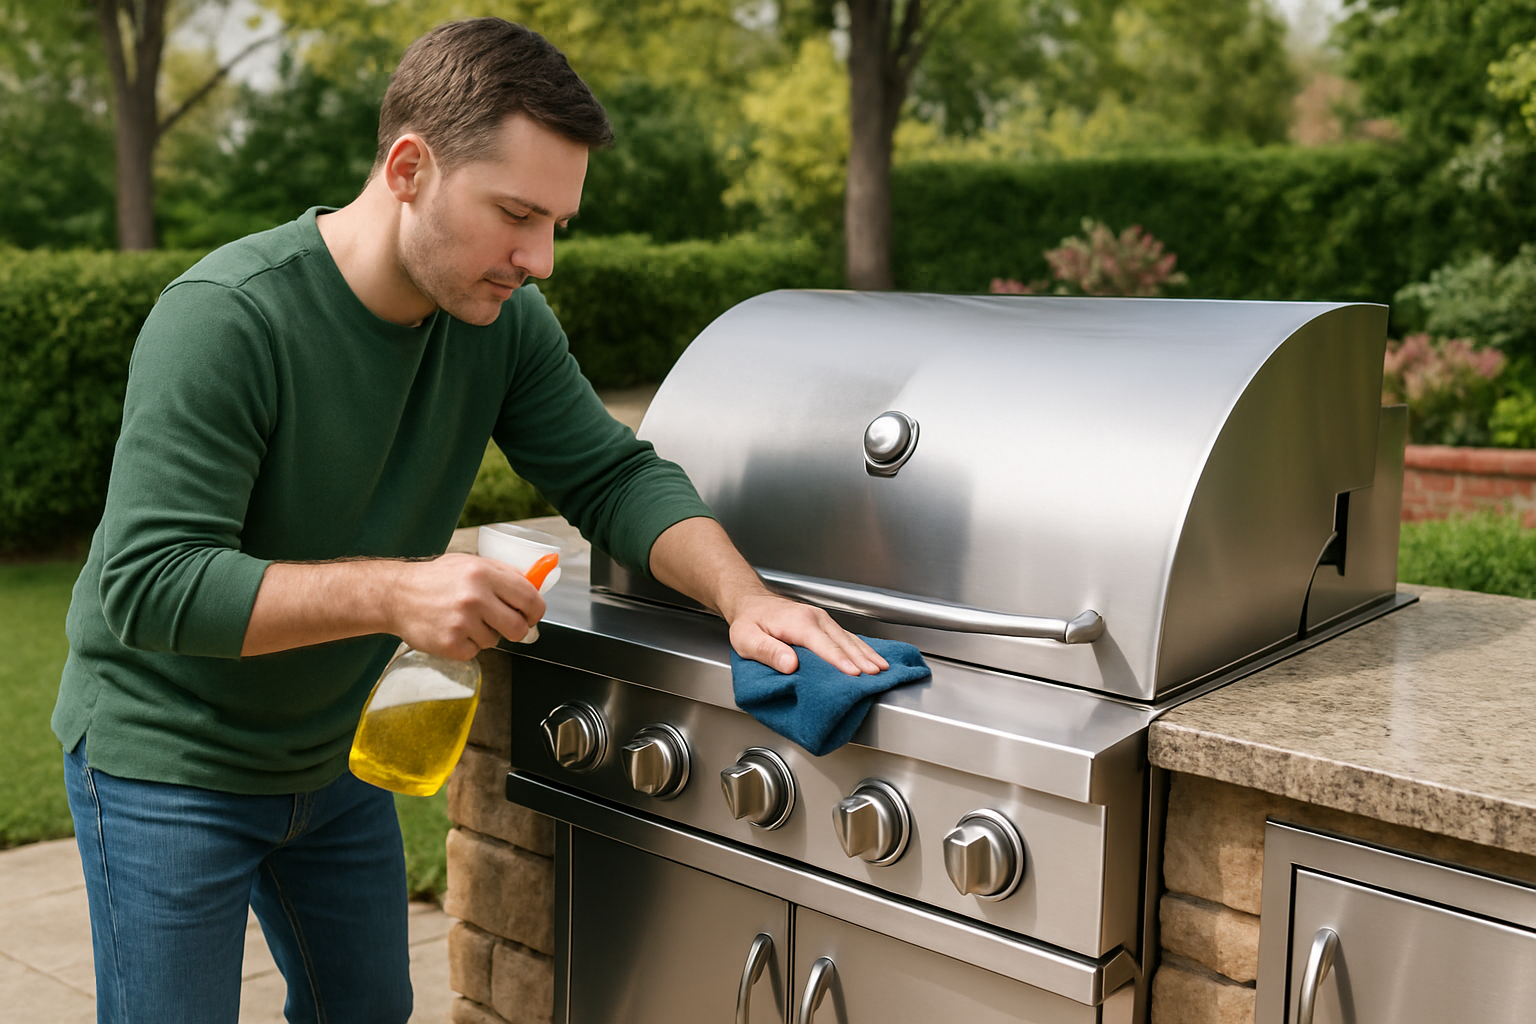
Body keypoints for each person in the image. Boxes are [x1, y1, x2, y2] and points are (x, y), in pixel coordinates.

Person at [52, 18, 886, 1024]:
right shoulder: (228, 319)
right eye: (516, 214)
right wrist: (400, 589)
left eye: (556, 225)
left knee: (364, 1010)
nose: (539, 258)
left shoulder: (499, 325)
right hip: (165, 758)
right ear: (410, 167)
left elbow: (613, 475)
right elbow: (151, 584)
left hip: (330, 756)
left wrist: (745, 599)